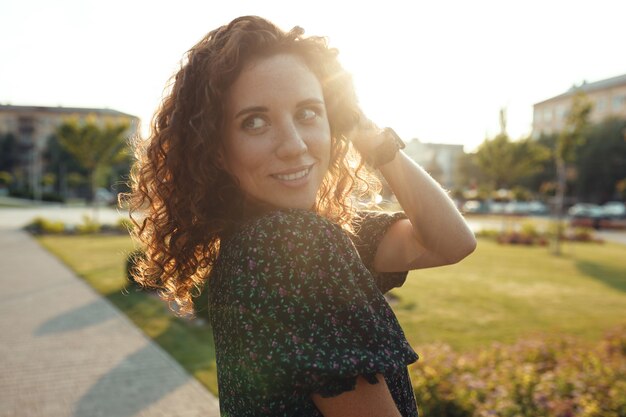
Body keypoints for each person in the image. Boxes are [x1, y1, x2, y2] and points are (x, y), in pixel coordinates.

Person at [127, 15, 476, 417]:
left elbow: (453, 242)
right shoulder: (288, 245)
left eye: (309, 112)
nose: (294, 145)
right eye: (255, 122)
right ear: (219, 150)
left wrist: (368, 133)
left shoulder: (265, 241)